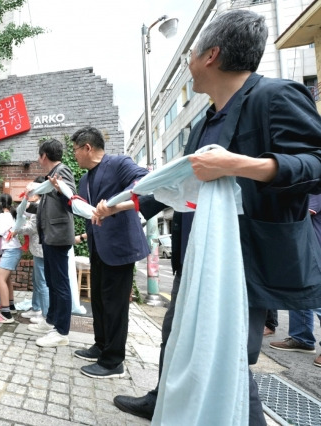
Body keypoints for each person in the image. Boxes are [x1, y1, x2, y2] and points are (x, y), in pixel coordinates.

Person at [110, 10, 321, 423]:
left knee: (229, 359)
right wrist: (120, 205)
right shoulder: (204, 120)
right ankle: (162, 399)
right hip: (197, 255)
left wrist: (242, 165)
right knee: (176, 334)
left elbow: (315, 162)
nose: (187, 64)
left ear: (212, 55)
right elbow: (178, 182)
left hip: (245, 259)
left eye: (190, 53)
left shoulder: (275, 97)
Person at [70, 126, 149, 379]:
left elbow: (144, 181)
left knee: (115, 305)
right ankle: (101, 345)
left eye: (75, 150)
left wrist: (116, 206)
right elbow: (84, 208)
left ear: (87, 148)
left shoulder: (118, 163)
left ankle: (113, 361)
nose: (74, 156)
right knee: (100, 301)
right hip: (98, 247)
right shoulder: (85, 178)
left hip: (119, 246)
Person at [28, 139, 77, 347]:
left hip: (57, 236)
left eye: (39, 156)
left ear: (43, 156)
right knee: (52, 282)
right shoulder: (51, 176)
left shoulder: (62, 171)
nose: (38, 160)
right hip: (50, 236)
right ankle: (51, 321)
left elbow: (71, 198)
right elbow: (47, 207)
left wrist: (54, 188)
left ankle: (62, 332)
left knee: (60, 284)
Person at [269, 193, 321, 367]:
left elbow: (304, 212)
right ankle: (301, 338)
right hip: (303, 246)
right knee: (299, 291)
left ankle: (302, 338)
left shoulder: (315, 185)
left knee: (316, 298)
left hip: (314, 248)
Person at [0, 193, 22, 324]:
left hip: (10, 250)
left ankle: (6, 313)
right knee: (6, 279)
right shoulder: (13, 214)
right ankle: (11, 305)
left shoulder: (3, 215)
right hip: (14, 249)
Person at [18, 179, 48, 325]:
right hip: (38, 250)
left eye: (31, 193)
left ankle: (45, 315)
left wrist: (17, 228)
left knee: (42, 282)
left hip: (42, 250)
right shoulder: (41, 204)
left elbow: (32, 228)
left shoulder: (42, 206)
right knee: (37, 282)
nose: (30, 195)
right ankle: (36, 308)